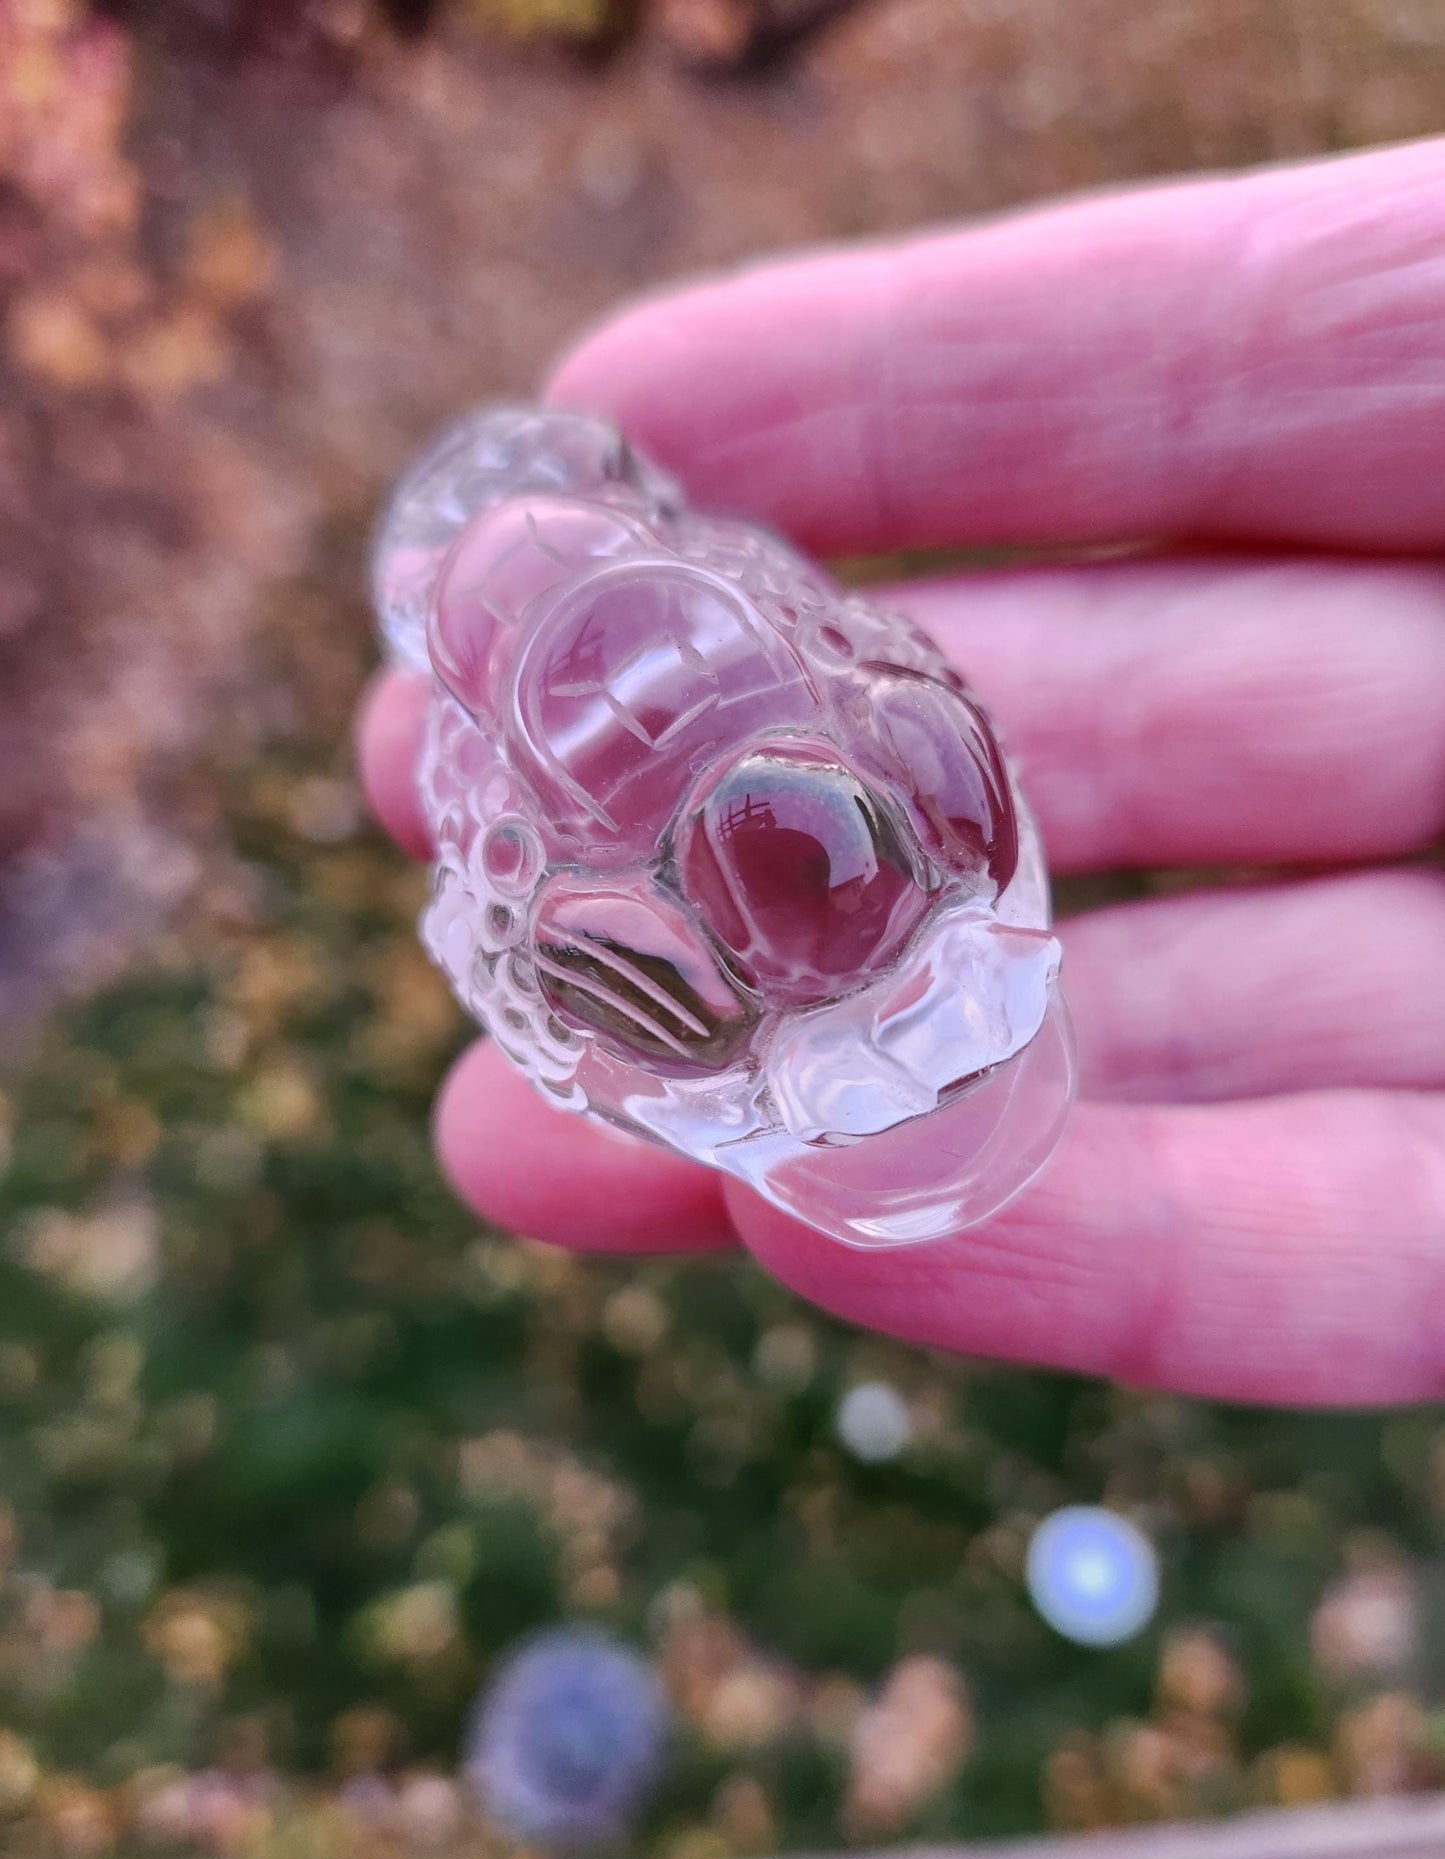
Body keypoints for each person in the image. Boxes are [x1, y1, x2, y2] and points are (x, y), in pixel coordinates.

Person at [357, 138, 1445, 1410]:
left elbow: (923, 740)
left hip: (867, 947)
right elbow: (577, 962)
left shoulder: (850, 710)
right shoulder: (563, 829)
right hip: (778, 997)